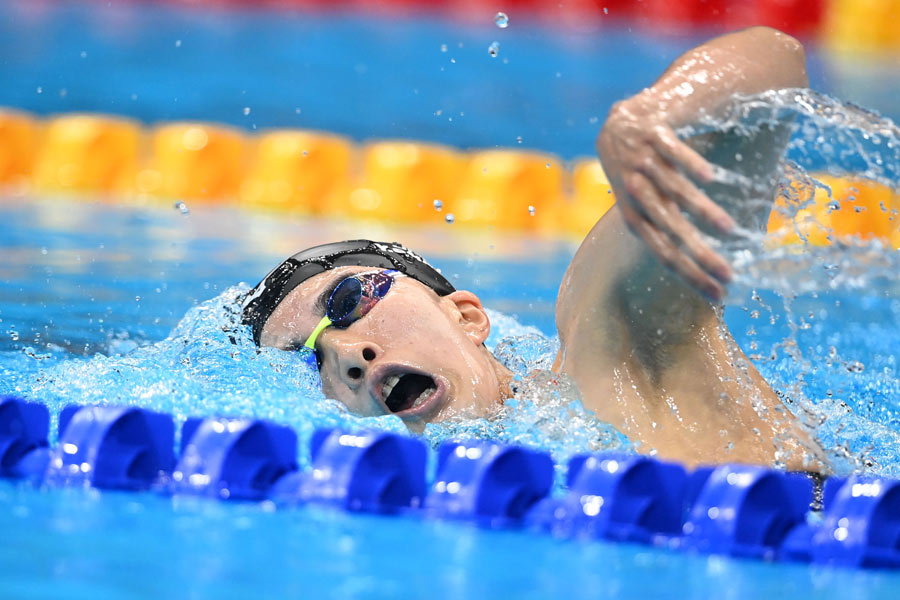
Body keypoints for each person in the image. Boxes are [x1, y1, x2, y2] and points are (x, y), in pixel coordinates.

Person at [242, 27, 821, 469]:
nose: (345, 354)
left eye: (347, 301)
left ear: (466, 317)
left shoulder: (612, 352)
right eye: (306, 360)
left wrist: (656, 112)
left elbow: (774, 61)